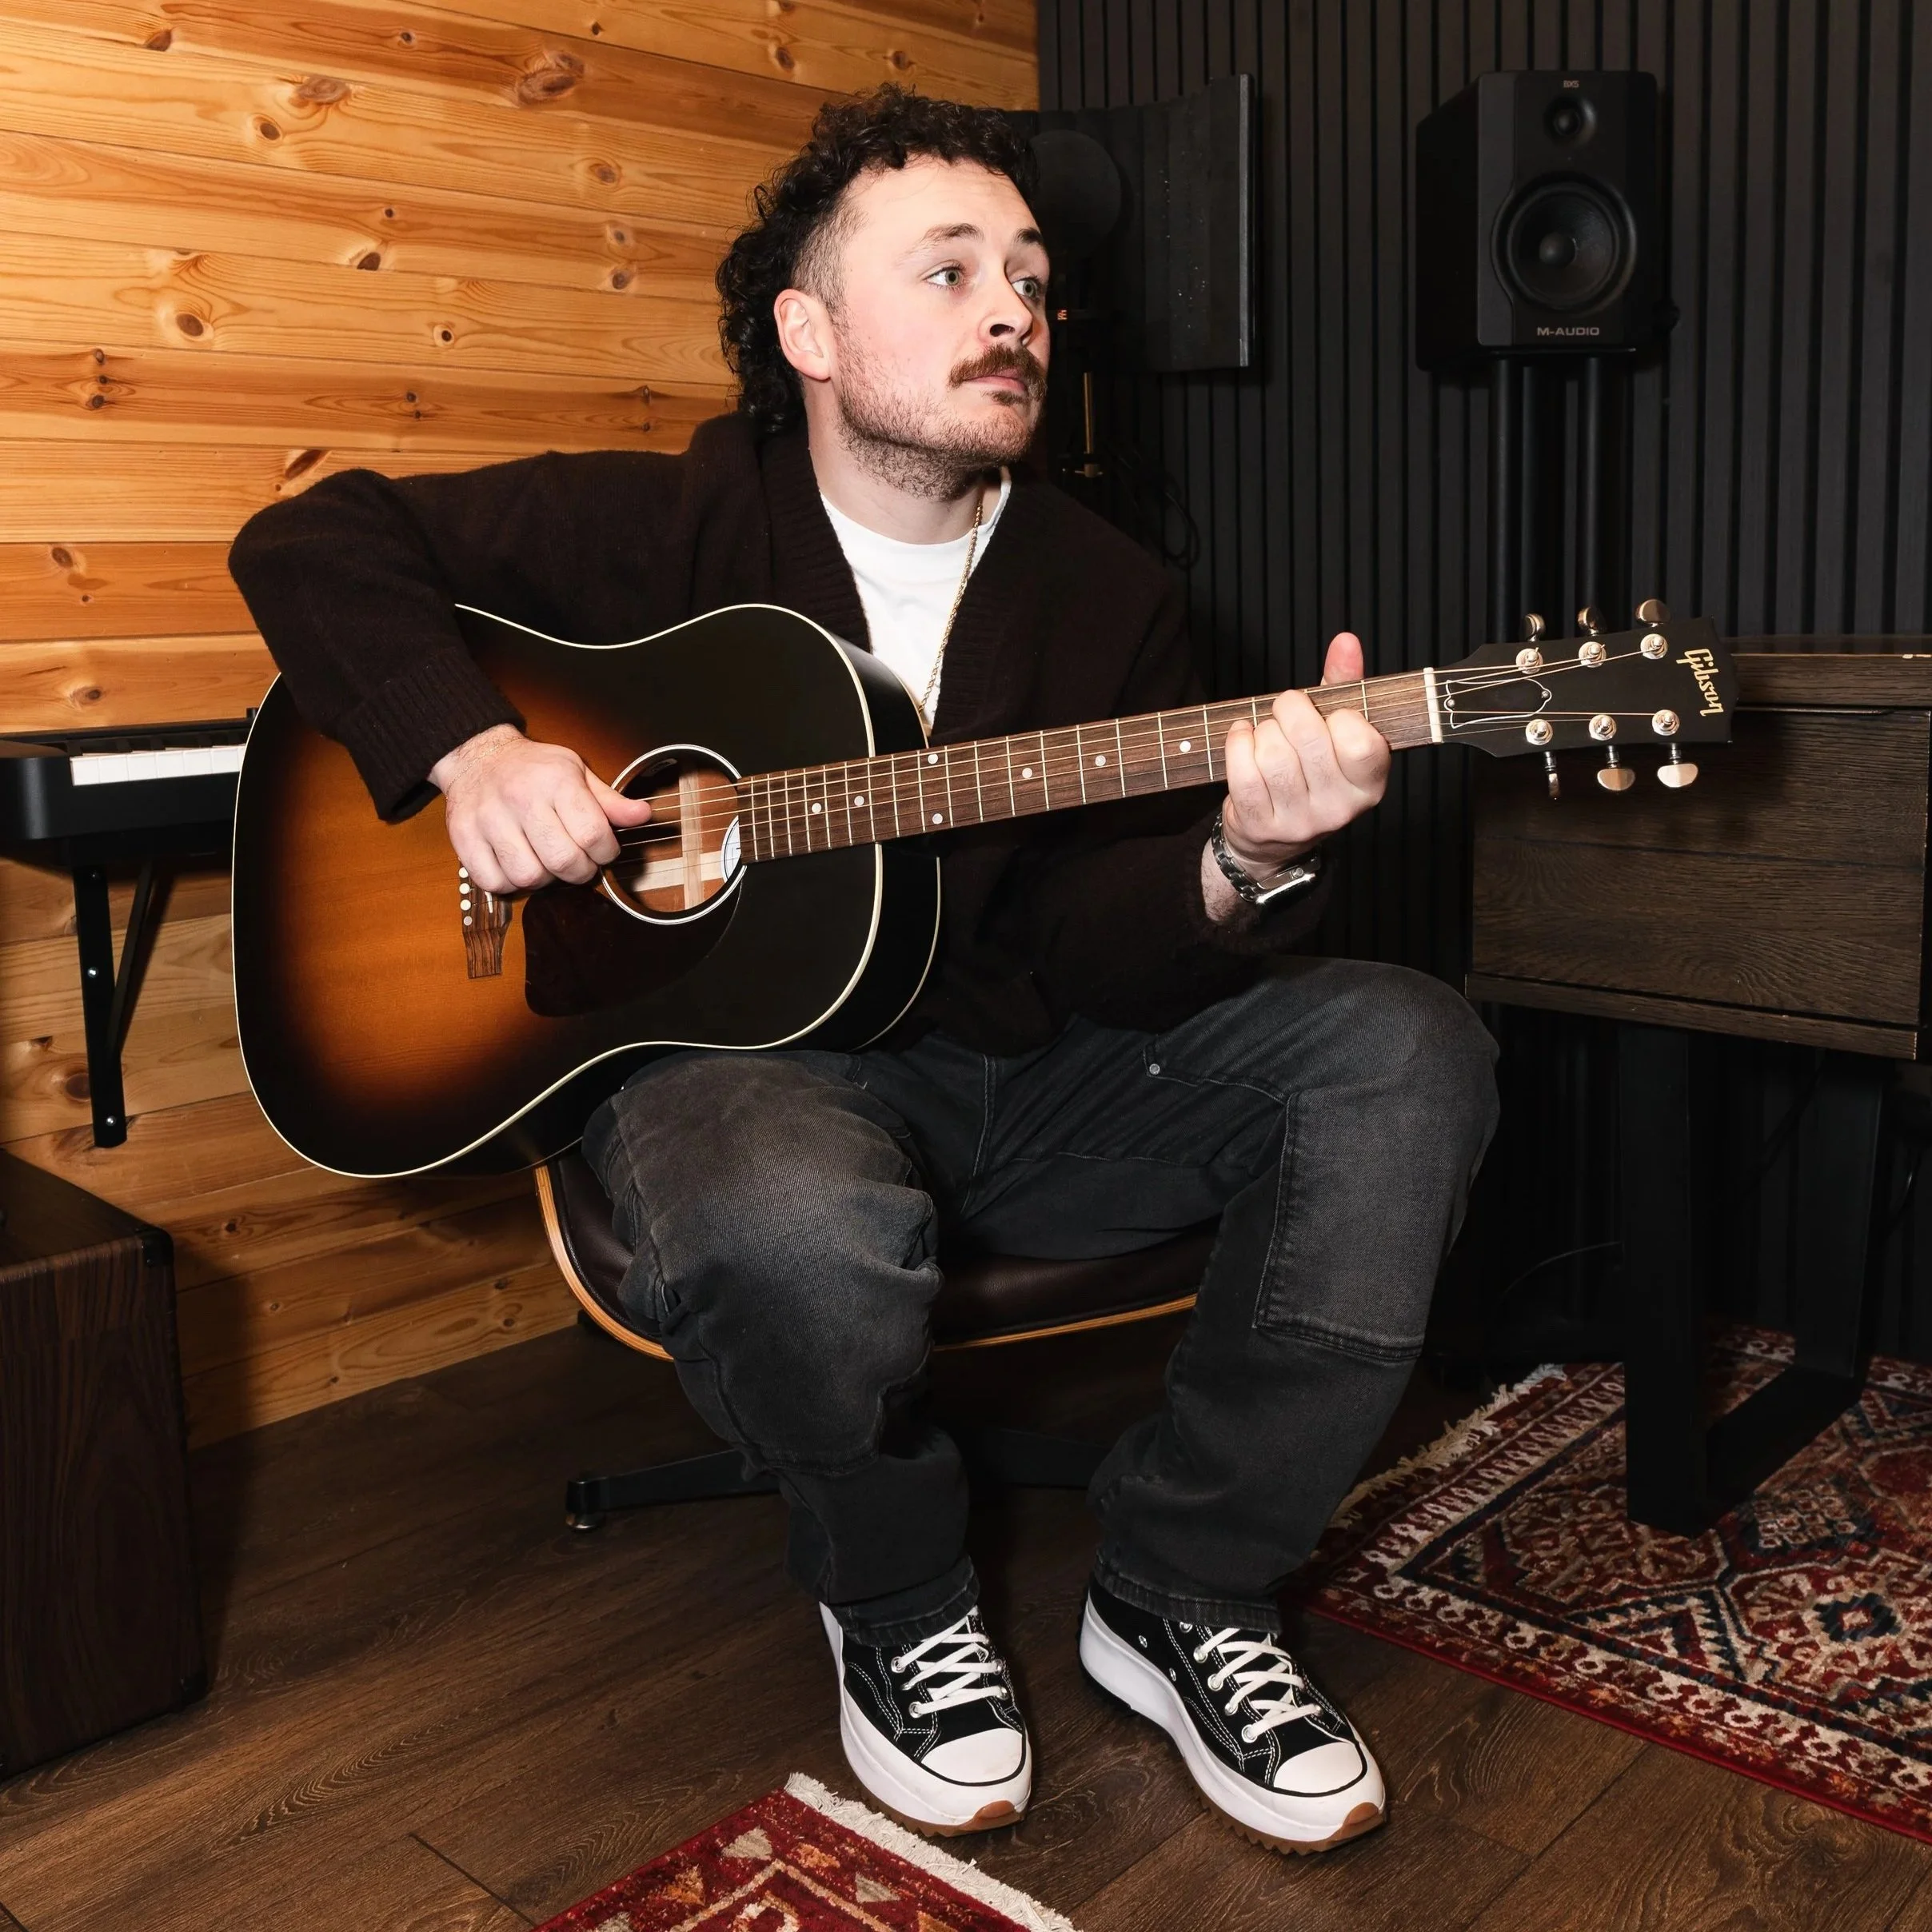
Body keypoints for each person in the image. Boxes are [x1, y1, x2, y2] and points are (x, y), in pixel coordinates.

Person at [230, 86, 1497, 1854]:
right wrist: (470, 752)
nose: (1014, 313)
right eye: (953, 269)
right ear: (808, 333)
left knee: (1404, 1046)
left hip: (1028, 1064)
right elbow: (312, 539)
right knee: (784, 1208)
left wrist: (1244, 859)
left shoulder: (1105, 590)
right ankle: (897, 1594)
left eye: (1033, 280)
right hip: (745, 1076)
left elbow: (1081, 933)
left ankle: (1187, 1585)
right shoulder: (662, 527)